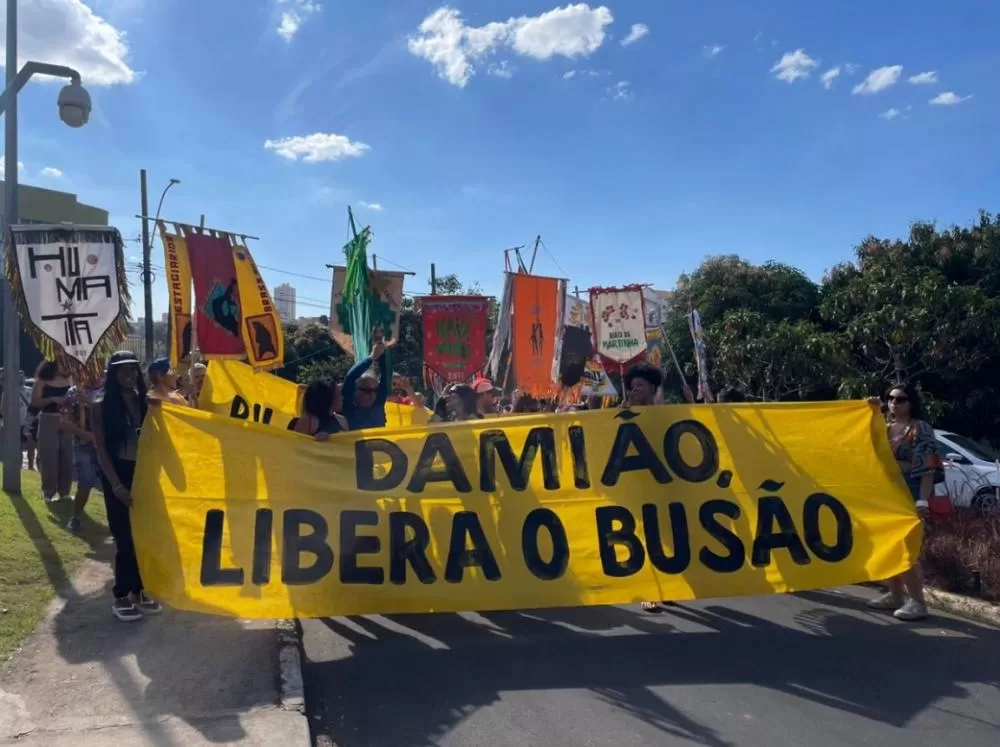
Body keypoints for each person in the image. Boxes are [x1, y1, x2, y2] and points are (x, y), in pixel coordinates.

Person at [92, 351, 162, 622]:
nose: (129, 375)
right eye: (122, 371)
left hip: (143, 473)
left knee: (144, 534)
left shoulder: (147, 403)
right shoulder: (102, 405)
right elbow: (100, 449)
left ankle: (140, 590)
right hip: (116, 473)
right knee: (124, 537)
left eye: (132, 370)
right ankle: (121, 594)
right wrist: (117, 485)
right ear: (113, 374)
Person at [866, 384, 935, 621]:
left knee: (907, 547)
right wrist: (872, 412)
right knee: (889, 544)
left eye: (901, 399)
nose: (895, 403)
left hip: (910, 491)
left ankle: (918, 602)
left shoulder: (919, 428)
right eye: (891, 399)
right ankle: (895, 594)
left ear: (911, 402)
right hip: (887, 492)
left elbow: (928, 466)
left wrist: (923, 500)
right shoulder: (885, 428)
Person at [61, 371, 105, 532]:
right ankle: (76, 517)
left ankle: (117, 524)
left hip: (107, 446)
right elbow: (64, 422)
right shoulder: (73, 393)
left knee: (111, 484)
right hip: (83, 445)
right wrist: (84, 434)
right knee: (85, 481)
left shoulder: (110, 390)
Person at [31, 360, 73, 502]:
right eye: (62, 364)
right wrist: (52, 399)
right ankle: (49, 492)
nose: (65, 366)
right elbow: (35, 402)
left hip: (68, 420)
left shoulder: (71, 379)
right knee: (49, 456)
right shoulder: (41, 382)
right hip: (48, 419)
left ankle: (65, 492)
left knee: (67, 456)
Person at [341, 336, 389, 431]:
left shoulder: (378, 403)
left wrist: (382, 351)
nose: (372, 395)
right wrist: (372, 357)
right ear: (356, 391)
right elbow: (350, 378)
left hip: (378, 445)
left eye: (375, 390)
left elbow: (386, 376)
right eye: (366, 391)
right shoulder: (348, 406)